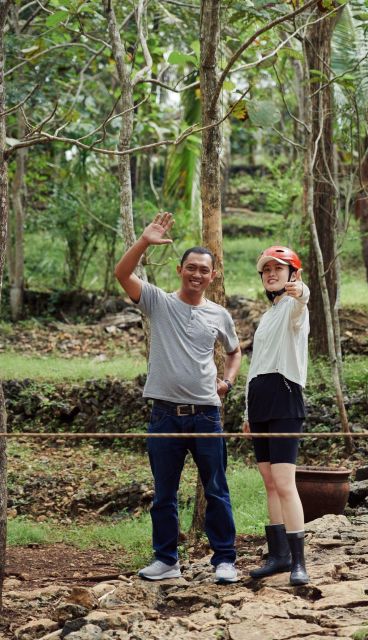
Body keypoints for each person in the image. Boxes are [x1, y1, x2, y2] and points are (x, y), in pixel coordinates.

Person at [114, 212, 242, 584]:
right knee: (164, 494)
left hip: (206, 414)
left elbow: (234, 352)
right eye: (191, 268)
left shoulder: (219, 314)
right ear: (179, 269)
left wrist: (228, 382)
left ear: (212, 276)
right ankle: (166, 560)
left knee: (216, 489)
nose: (196, 274)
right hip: (164, 415)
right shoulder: (158, 302)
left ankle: (225, 560)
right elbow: (123, 275)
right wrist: (143, 241)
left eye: (204, 270)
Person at [242, 245, 310, 586]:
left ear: (292, 274)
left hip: (285, 398)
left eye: (279, 269)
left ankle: (299, 561)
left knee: (285, 482)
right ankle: (279, 555)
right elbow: (255, 367)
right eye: (266, 269)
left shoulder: (294, 308)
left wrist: (300, 291)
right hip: (259, 401)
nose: (271, 273)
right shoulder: (267, 316)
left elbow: (302, 301)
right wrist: (246, 411)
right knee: (269, 483)